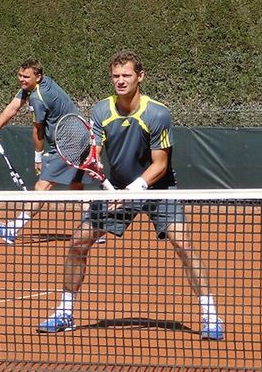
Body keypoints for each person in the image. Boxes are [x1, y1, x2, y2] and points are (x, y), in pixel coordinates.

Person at [36, 50, 224, 340]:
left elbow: (160, 165)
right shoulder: (101, 111)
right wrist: (101, 171)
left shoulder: (157, 113)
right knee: (78, 242)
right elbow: (93, 150)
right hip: (118, 187)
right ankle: (64, 312)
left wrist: (133, 190)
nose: (120, 81)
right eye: (116, 76)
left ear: (140, 77)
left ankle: (210, 315)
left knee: (183, 244)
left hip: (157, 188)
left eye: (126, 75)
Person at [0, 58, 105, 244]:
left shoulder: (38, 97)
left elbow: (38, 130)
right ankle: (94, 230)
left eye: (26, 77)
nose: (22, 79)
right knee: (76, 187)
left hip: (69, 144)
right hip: (82, 138)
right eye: (20, 75)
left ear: (38, 77)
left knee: (42, 187)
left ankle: (13, 229)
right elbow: (14, 105)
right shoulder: (41, 84)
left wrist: (38, 157)